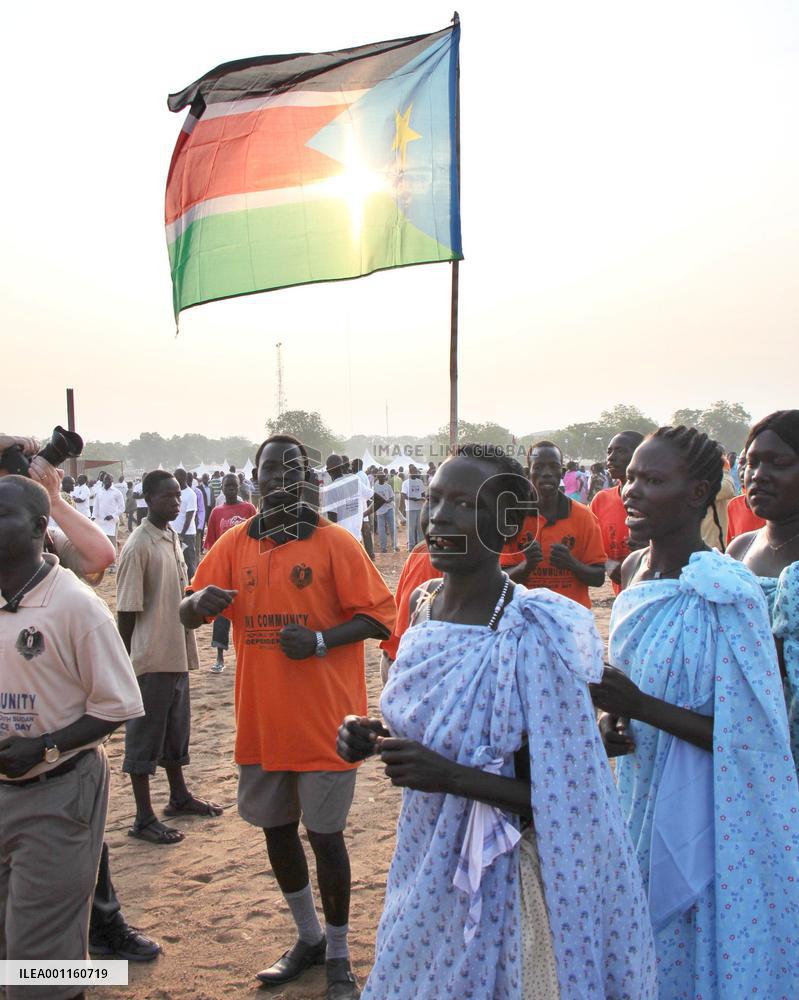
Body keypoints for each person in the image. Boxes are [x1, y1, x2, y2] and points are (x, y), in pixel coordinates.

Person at [337, 446, 657, 999]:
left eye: (463, 503)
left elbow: (569, 796)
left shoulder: (535, 631)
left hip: (502, 882)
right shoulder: (423, 604)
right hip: (424, 861)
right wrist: (372, 736)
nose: (438, 516)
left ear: (507, 523)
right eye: (435, 499)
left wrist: (451, 776)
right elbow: (436, 728)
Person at [181, 434, 396, 999]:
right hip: (261, 724)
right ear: (255, 477)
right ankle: (308, 938)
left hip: (329, 726)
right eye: (268, 468)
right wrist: (195, 605)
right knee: (277, 832)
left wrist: (324, 640)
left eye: (290, 468)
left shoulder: (335, 543)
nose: (278, 477)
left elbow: (380, 617)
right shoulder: (234, 543)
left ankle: (341, 954)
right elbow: (188, 607)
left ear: (308, 480)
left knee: (325, 838)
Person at [590, 425, 799, 997]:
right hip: (639, 788)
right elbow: (631, 684)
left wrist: (640, 706)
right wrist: (615, 719)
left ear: (696, 491)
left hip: (714, 803)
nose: (631, 490)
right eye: (630, 476)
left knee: (700, 938)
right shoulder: (631, 571)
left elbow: (753, 733)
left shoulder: (725, 587)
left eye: (653, 479)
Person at [0, 441, 161, 962]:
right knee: (19, 947)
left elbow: (98, 555)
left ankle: (90, 949)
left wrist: (50, 496)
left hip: (57, 783)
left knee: (43, 959)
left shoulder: (69, 599)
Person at [117, 471, 222, 845]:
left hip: (177, 652)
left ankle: (178, 796)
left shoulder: (172, 537)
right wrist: (121, 663)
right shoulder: (138, 545)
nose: (176, 503)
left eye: (178, 496)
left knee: (176, 732)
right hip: (150, 656)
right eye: (167, 497)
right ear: (148, 498)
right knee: (144, 739)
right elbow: (127, 609)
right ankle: (143, 817)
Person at [728, 410, 799, 768]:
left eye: (777, 463)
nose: (758, 476)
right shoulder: (738, 550)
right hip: (750, 744)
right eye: (750, 463)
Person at [505, 440, 606, 607]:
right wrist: (526, 566)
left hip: (570, 620)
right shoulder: (513, 517)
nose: (547, 473)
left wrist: (571, 563)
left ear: (562, 472)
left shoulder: (584, 517)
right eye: (538, 467)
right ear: (528, 472)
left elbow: (598, 578)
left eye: (554, 466)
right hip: (524, 617)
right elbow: (500, 580)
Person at [203, 473, 257, 672]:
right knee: (222, 612)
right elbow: (211, 542)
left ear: (239, 487)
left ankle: (249, 655)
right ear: (222, 488)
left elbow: (257, 536)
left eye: (234, 486)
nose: (231, 489)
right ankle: (219, 657)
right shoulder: (217, 512)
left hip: (247, 568)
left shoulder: (249, 508)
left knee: (249, 611)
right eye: (227, 486)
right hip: (225, 569)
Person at [590, 431, 644, 593]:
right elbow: (591, 548)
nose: (611, 458)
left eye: (620, 451)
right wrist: (608, 564)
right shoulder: (601, 501)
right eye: (609, 452)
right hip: (623, 596)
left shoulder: (660, 499)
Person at [170, 467, 198, 579]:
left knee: (189, 562)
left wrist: (182, 535)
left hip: (187, 535)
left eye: (176, 477)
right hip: (174, 532)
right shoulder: (175, 493)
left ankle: (192, 588)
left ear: (183, 478)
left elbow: (189, 517)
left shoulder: (191, 494)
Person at [93, 473, 125, 567]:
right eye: (105, 480)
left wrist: (113, 515)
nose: (107, 482)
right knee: (101, 542)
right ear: (103, 481)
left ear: (112, 481)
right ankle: (102, 562)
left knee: (112, 543)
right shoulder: (99, 492)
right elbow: (96, 506)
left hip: (112, 522)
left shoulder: (116, 492)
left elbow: (122, 507)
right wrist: (93, 517)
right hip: (100, 521)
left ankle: (112, 564)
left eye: (109, 480)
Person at [401, 465, 425, 549]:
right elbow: (403, 495)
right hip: (410, 508)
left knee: (420, 528)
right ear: (410, 473)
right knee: (411, 528)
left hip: (419, 507)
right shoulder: (405, 483)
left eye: (416, 472)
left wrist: (423, 498)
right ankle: (411, 546)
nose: (415, 473)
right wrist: (412, 498)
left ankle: (421, 545)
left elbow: (423, 494)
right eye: (414, 472)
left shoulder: (420, 482)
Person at [372, 470, 396, 553]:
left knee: (392, 528)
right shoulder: (375, 487)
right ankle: (383, 547)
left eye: (383, 476)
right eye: (381, 477)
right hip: (379, 511)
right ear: (378, 478)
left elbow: (392, 497)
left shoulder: (388, 486)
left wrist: (388, 500)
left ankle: (395, 545)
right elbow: (373, 499)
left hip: (389, 509)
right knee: (381, 530)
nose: (382, 478)